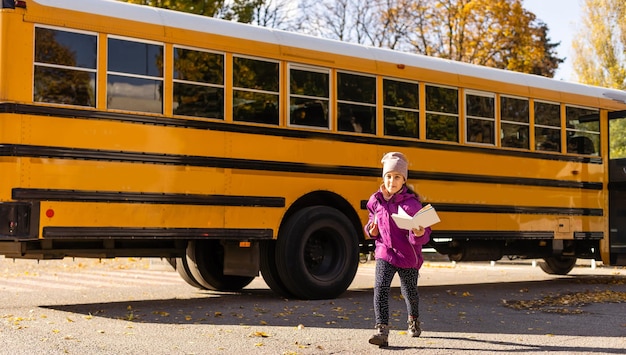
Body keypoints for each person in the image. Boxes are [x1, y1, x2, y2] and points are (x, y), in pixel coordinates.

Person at [364, 151, 432, 347]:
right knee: (380, 288)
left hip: (408, 256)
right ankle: (381, 330)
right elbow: (371, 222)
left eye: (396, 177)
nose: (391, 181)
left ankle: (413, 319)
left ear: (404, 180)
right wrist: (371, 229)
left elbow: (425, 231)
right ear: (383, 178)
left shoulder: (412, 204)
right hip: (385, 251)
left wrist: (418, 232)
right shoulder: (375, 200)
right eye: (388, 176)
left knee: (409, 291)